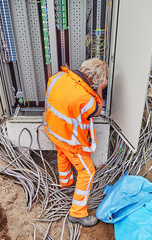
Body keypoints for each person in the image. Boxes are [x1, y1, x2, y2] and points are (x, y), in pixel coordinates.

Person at [43, 58, 108, 227]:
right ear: (94, 80)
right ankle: (77, 213)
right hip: (70, 140)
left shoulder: (58, 77)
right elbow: (96, 110)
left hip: (53, 129)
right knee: (88, 173)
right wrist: (100, 90)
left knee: (62, 155)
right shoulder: (85, 98)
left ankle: (65, 184)